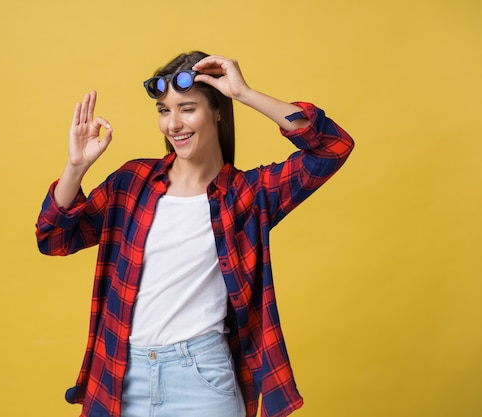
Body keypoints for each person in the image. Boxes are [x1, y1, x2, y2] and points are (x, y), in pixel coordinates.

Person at [36, 51, 354, 417]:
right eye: (164, 110)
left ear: (217, 111)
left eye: (187, 108)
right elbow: (53, 238)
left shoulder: (247, 196)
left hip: (202, 379)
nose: (173, 124)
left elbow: (332, 147)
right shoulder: (132, 183)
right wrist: (75, 168)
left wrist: (244, 93)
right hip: (122, 379)